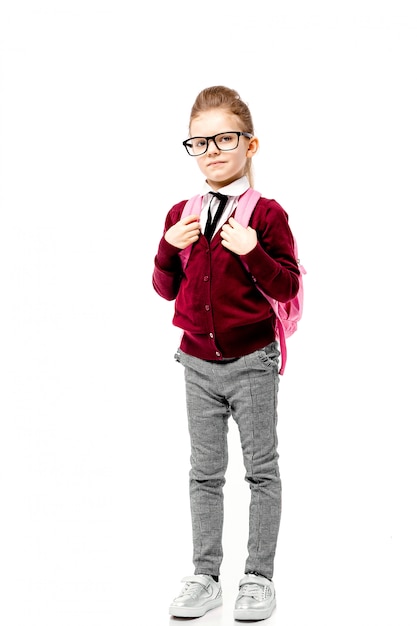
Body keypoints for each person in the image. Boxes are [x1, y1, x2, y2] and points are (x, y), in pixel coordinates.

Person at [152, 85, 300, 621]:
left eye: (225, 138)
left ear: (250, 144)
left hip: (252, 362)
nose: (212, 150)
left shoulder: (267, 214)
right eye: (200, 141)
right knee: (204, 472)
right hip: (195, 363)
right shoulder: (180, 212)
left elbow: (285, 288)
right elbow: (165, 288)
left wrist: (253, 252)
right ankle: (205, 576)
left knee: (261, 470)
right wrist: (169, 245)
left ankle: (258, 578)